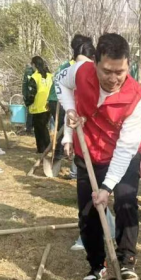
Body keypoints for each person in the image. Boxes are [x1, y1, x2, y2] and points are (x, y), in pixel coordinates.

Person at [57, 33, 141, 280]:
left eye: (119, 71)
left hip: (123, 155)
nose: (113, 78)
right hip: (87, 151)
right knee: (88, 213)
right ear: (95, 62)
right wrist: (70, 108)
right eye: (107, 71)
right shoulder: (79, 72)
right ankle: (97, 265)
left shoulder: (138, 99)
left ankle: (126, 259)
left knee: (126, 202)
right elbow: (60, 82)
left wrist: (107, 187)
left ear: (128, 64)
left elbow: (124, 149)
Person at [51, 34, 92, 180]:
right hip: (82, 127)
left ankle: (76, 173)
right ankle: (75, 173)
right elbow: (71, 111)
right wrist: (67, 136)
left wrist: (67, 137)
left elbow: (70, 111)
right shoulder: (71, 72)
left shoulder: (70, 69)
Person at [26, 56, 54, 154]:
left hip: (38, 106)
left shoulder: (35, 77)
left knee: (39, 129)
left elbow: (31, 93)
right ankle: (44, 148)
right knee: (43, 127)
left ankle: (44, 148)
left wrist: (27, 103)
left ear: (34, 65)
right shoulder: (50, 76)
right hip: (49, 105)